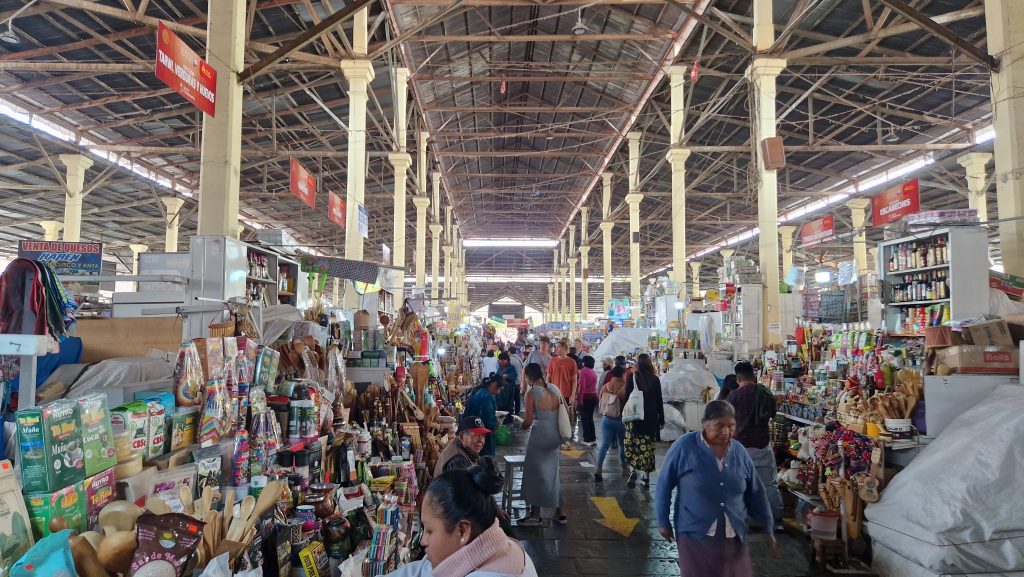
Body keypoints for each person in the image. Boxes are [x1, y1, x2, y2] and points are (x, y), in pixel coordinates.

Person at [655, 401, 776, 577]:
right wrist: (662, 521)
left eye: (731, 426)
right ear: (704, 423)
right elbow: (664, 484)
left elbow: (756, 492)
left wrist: (768, 526)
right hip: (694, 535)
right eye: (719, 426)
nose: (726, 432)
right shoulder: (685, 447)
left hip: (734, 536)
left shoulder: (739, 452)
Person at [387, 458, 538, 577]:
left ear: (463, 531)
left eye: (430, 531)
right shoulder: (500, 546)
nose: (423, 541)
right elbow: (422, 570)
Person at [725, 361, 784, 527]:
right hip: (762, 444)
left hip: (740, 447)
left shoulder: (734, 396)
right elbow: (773, 414)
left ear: (738, 378)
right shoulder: (765, 392)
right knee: (769, 483)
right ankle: (775, 519)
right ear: (753, 376)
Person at [518, 363, 567, 526]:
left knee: (535, 473)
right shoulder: (553, 389)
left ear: (529, 377)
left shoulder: (531, 393)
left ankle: (535, 515)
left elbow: (528, 421)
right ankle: (560, 512)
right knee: (553, 473)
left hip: (540, 437)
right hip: (555, 436)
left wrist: (520, 426)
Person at [624, 353, 664, 488]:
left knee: (632, 445)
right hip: (651, 419)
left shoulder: (632, 378)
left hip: (634, 419)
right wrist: (661, 419)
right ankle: (645, 478)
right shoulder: (655, 379)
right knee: (647, 448)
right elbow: (659, 401)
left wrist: (624, 416)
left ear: (638, 364)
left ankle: (632, 470)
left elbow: (627, 398)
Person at [594, 366, 628, 483]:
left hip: (607, 419)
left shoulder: (606, 386)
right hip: (621, 420)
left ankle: (599, 468)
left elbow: (600, 400)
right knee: (622, 445)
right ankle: (624, 467)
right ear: (623, 374)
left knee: (604, 445)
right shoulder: (626, 387)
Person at [546, 339, 579, 443]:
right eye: (556, 347)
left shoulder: (572, 362)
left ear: (564, 348)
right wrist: (546, 390)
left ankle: (566, 435)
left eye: (558, 347)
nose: (556, 349)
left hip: (566, 394)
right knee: (553, 415)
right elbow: (548, 377)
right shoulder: (552, 360)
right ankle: (555, 435)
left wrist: (573, 394)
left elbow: (574, 380)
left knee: (567, 415)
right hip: (554, 393)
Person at [464, 376, 501, 457]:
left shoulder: (479, 391)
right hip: (480, 435)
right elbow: (488, 420)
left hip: (469, 432)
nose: (498, 392)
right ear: (494, 385)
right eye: (499, 389)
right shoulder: (486, 396)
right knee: (485, 460)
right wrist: (496, 423)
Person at [576, 356, 599, 446]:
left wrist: (580, 399)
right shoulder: (593, 371)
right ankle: (593, 438)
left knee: (584, 419)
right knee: (590, 418)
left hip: (586, 397)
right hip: (593, 397)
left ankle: (587, 440)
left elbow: (582, 387)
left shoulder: (584, 371)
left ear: (585, 363)